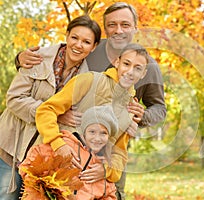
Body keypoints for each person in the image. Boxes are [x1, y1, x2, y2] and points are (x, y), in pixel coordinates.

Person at [16, 2, 166, 199]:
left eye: (125, 25)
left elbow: (159, 110)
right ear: (117, 62)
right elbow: (63, 52)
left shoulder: (150, 68)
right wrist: (20, 59)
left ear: (136, 28)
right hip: (64, 154)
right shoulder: (91, 50)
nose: (118, 30)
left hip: (103, 160)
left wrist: (141, 116)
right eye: (112, 25)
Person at [0, 15, 101, 199]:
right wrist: (53, 114)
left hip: (43, 159)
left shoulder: (89, 80)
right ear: (67, 35)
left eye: (86, 42)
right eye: (75, 37)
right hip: (11, 147)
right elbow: (14, 98)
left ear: (93, 47)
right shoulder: (37, 58)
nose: (78, 45)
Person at [35, 43, 149, 187]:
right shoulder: (88, 80)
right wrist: (58, 144)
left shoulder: (132, 109)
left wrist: (106, 170)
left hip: (86, 186)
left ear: (143, 73)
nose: (130, 71)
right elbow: (47, 110)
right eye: (126, 64)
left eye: (138, 68)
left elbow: (119, 154)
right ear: (117, 62)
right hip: (52, 171)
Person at [20, 105, 119, 199]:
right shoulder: (64, 145)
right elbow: (28, 166)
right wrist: (39, 190)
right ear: (84, 131)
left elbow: (108, 193)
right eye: (92, 132)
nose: (97, 138)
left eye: (103, 133)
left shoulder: (102, 165)